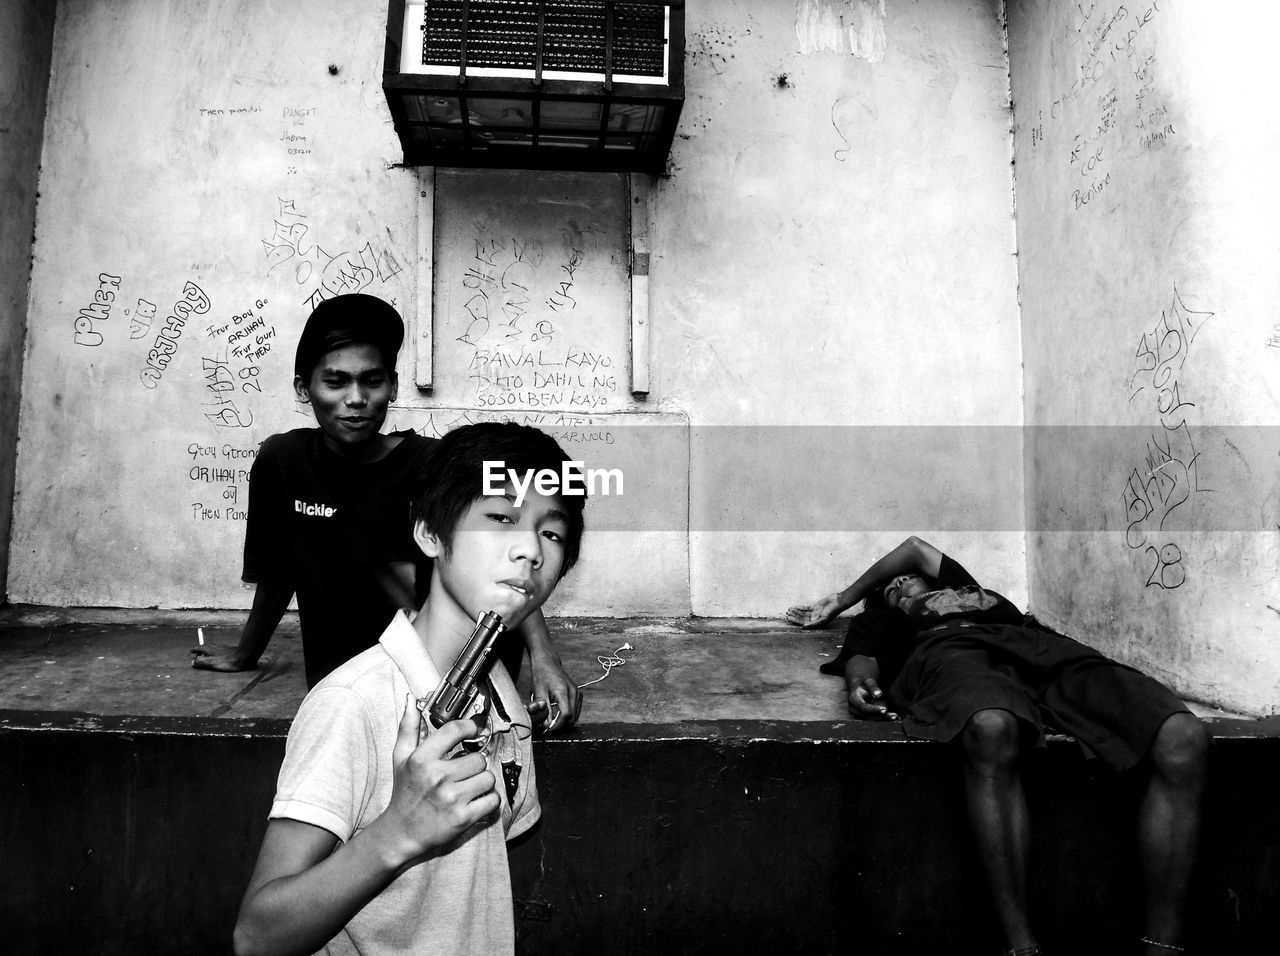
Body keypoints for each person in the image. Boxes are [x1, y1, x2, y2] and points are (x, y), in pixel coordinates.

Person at [233, 421, 585, 956]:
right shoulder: (354, 703)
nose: (530, 550)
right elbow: (257, 937)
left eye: (551, 533)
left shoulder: (502, 698)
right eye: (500, 518)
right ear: (429, 533)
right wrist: (399, 831)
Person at [787, 536, 1209, 956]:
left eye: (908, 579)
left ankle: (1163, 946)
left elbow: (914, 548)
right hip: (949, 654)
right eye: (890, 589)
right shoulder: (884, 624)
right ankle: (1021, 948)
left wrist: (842, 596)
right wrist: (860, 685)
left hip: (1040, 648)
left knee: (1182, 736)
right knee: (992, 726)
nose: (901, 583)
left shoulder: (968, 592)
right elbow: (862, 659)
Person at [192, 294, 581, 730]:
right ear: (304, 388)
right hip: (343, 682)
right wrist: (246, 653)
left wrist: (545, 662)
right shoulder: (282, 461)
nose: (355, 399)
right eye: (335, 382)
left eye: (372, 381)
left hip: (454, 686)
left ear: (393, 386)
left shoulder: (436, 464)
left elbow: (509, 563)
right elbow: (279, 571)